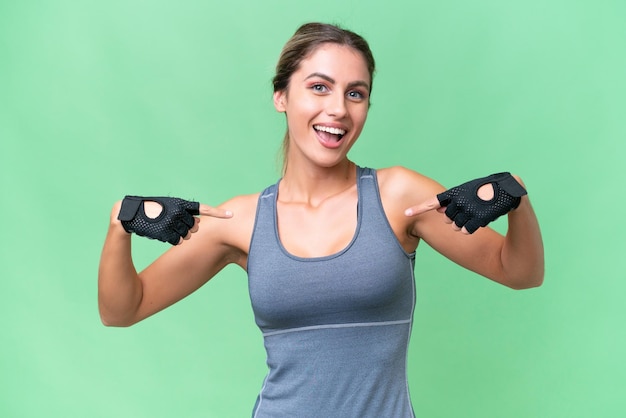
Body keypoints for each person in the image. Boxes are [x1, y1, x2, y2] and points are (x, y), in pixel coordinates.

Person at [98, 22, 544, 418]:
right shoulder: (239, 219)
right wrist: (121, 224)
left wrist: (516, 200)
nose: (338, 109)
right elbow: (122, 309)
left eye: (356, 93)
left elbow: (520, 272)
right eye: (318, 87)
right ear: (281, 96)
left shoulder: (399, 197)